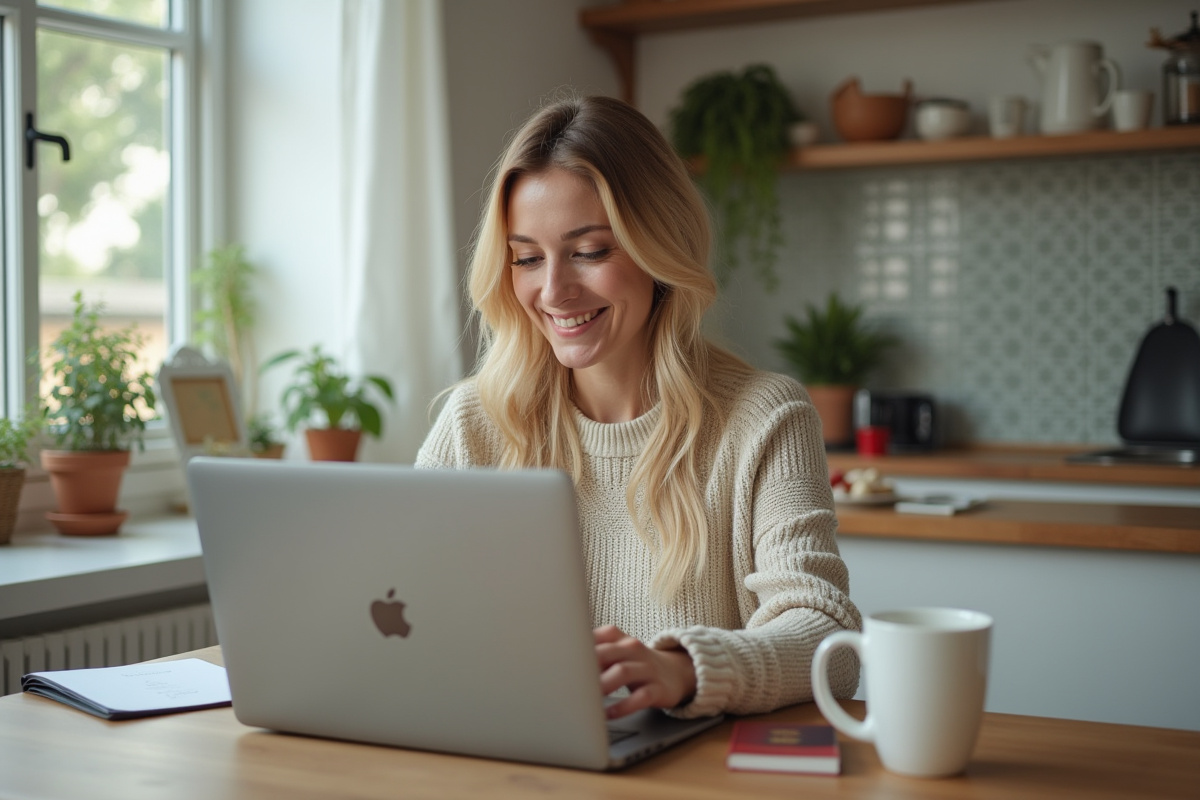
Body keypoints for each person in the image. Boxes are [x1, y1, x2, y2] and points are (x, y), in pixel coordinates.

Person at [416, 94, 860, 721]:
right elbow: (406, 613)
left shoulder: (765, 417)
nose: (553, 290)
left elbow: (828, 643)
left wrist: (682, 670)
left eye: (590, 251)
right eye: (526, 258)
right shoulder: (472, 424)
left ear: (661, 249)